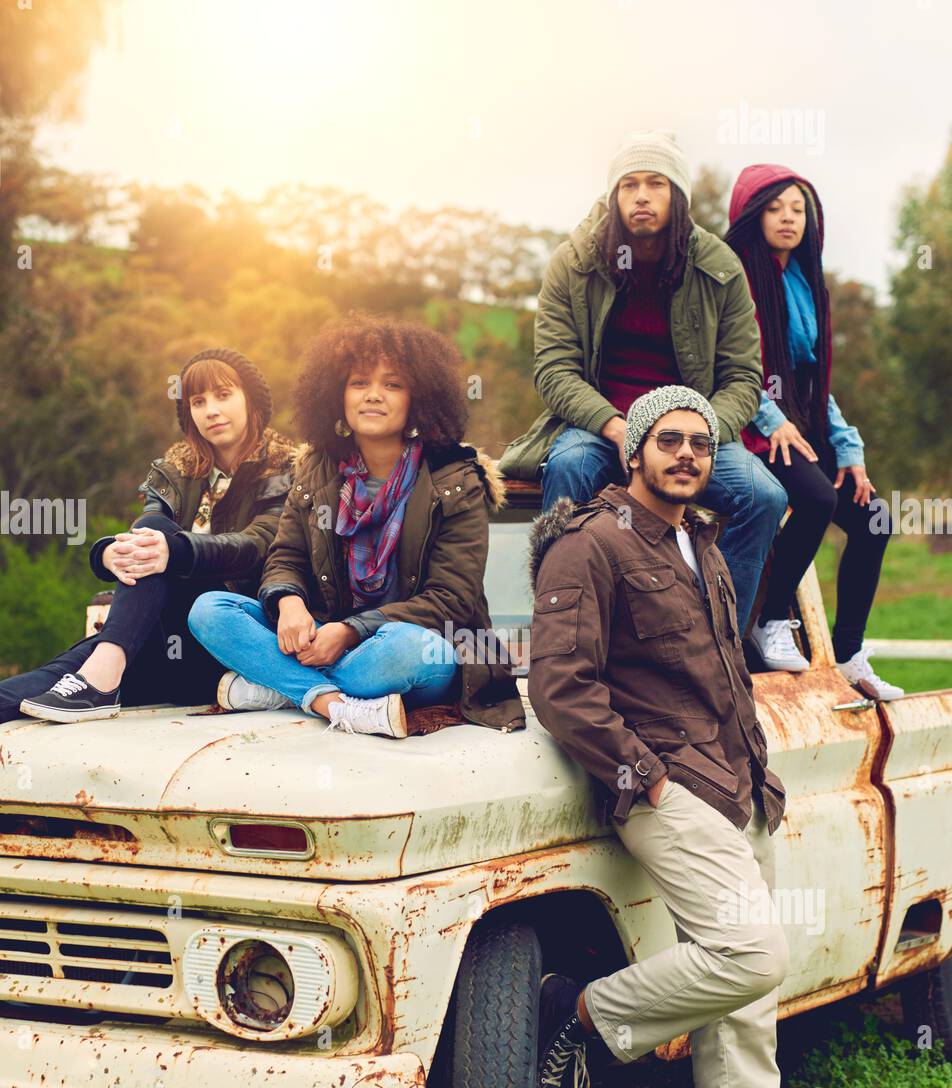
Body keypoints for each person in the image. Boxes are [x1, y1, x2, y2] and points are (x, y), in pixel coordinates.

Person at [526, 384, 801, 1088]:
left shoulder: (706, 543)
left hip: (738, 785)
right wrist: (642, 780)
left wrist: (759, 770)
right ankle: (582, 1014)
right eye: (669, 441)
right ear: (634, 450)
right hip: (664, 786)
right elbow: (561, 686)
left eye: (701, 444)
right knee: (753, 953)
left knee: (749, 1004)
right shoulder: (591, 545)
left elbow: (725, 674)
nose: (687, 455)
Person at [499, 129, 787, 635]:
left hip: (688, 431)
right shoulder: (574, 261)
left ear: (677, 196)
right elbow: (554, 368)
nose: (641, 196)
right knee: (567, 467)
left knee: (763, 496)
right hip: (601, 423)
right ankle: (562, 634)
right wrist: (615, 427)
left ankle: (720, 640)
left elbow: (743, 375)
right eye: (629, 184)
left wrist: (696, 436)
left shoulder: (719, 266)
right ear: (614, 196)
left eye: (656, 183)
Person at [188, 313, 525, 739]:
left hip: (421, 647)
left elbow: (451, 600)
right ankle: (329, 701)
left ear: (418, 398)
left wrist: (350, 632)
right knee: (210, 610)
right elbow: (286, 556)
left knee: (402, 651)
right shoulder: (315, 468)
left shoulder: (456, 480)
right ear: (338, 394)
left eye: (393, 384)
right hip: (322, 636)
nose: (374, 396)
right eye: (360, 382)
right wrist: (289, 603)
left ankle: (277, 685)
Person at [2, 348, 296, 724]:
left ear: (251, 401)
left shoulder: (288, 471)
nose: (211, 411)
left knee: (156, 536)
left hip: (228, 638)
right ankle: (103, 672)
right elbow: (145, 530)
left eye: (224, 395)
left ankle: (104, 674)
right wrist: (107, 554)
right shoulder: (177, 472)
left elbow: (257, 544)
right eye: (198, 401)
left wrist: (175, 551)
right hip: (154, 641)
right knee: (26, 691)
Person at [725, 164, 901, 699]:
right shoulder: (737, 277)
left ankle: (850, 655)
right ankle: (769, 619)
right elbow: (725, 365)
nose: (787, 219)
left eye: (797, 209)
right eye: (775, 208)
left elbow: (813, 380)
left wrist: (848, 447)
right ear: (752, 216)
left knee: (874, 519)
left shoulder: (805, 282)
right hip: (753, 426)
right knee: (816, 498)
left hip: (803, 426)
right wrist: (770, 419)